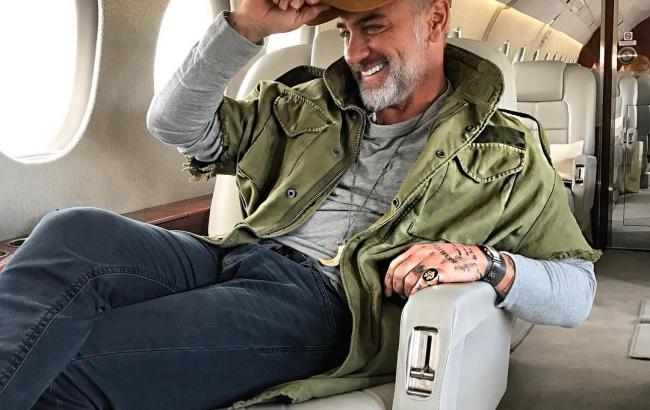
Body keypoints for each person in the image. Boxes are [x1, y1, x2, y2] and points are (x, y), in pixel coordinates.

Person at [0, 0, 600, 409]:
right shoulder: (309, 103)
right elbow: (173, 123)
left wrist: (486, 264)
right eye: (346, 31)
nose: (356, 51)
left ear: (436, 18)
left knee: (76, 361)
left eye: (373, 25)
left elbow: (577, 288)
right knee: (72, 230)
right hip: (235, 254)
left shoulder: (506, 149)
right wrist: (245, 25)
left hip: (327, 302)